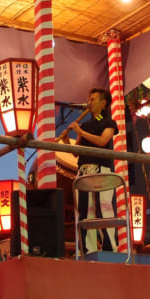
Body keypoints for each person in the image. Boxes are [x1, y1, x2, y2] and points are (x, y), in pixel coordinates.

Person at [64, 87, 119, 254]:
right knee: (84, 212)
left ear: (104, 103)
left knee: (104, 209)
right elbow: (76, 152)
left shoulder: (109, 122)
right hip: (83, 171)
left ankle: (110, 250)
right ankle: (87, 250)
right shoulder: (86, 124)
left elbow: (103, 141)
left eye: (94, 99)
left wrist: (80, 132)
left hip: (101, 169)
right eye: (90, 98)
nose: (90, 101)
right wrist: (67, 140)